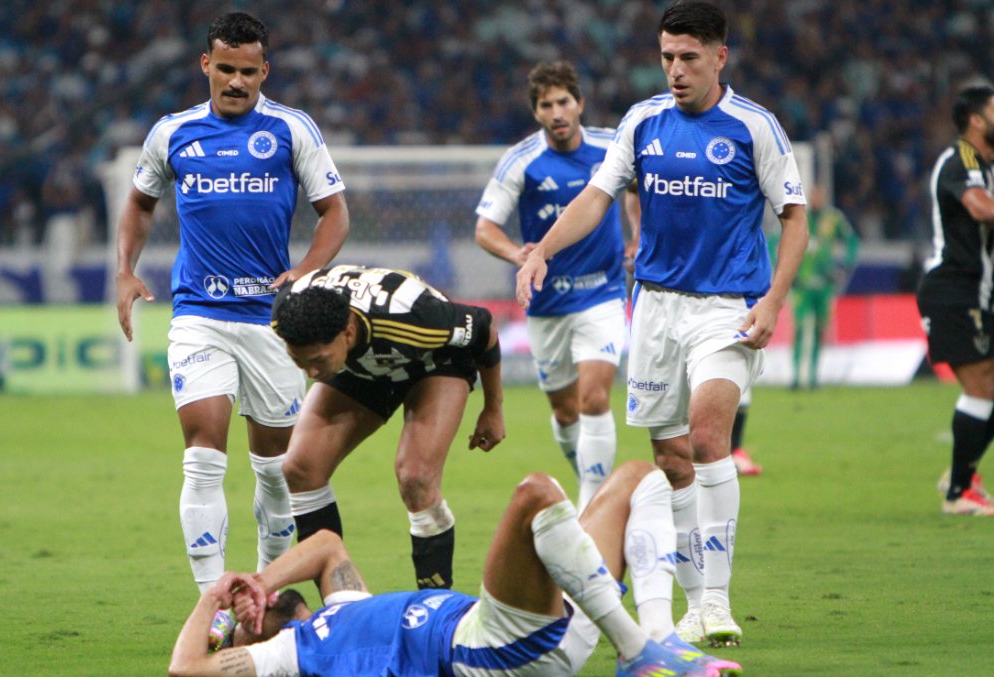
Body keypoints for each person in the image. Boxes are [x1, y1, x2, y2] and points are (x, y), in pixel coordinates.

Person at [516, 1, 808, 647]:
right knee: (671, 457)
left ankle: (717, 600)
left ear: (720, 56)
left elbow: (794, 217)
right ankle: (694, 598)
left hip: (726, 305)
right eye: (667, 57)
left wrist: (774, 299)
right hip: (653, 305)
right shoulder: (643, 121)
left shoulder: (754, 127)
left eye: (689, 58)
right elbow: (595, 197)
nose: (675, 70)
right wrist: (542, 249)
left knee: (708, 439)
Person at [114, 12, 350, 592]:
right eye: (226, 69)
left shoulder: (293, 129)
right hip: (198, 313)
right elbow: (141, 203)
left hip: (271, 321)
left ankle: (264, 587)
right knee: (202, 449)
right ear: (206, 65)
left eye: (249, 71)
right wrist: (124, 271)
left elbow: (335, 212)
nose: (238, 81)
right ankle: (212, 603)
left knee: (273, 471)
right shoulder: (173, 133)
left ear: (264, 70)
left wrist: (303, 271)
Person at [168, 459, 743, 676]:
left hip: (541, 624)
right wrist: (214, 597)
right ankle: (638, 653)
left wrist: (261, 580)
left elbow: (324, 545)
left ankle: (660, 639)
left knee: (639, 478)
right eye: (236, 625)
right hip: (486, 650)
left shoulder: (340, 609)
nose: (246, 615)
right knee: (535, 494)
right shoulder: (289, 656)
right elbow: (185, 668)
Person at [270, 265, 504, 592]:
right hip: (361, 363)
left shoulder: (420, 319)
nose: (310, 373)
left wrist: (493, 409)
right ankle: (341, 606)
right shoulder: (287, 315)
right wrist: (325, 362)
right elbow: (315, 350)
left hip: (433, 361)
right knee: (300, 468)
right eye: (300, 360)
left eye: (318, 360)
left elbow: (484, 327)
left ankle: (433, 607)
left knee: (416, 477)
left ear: (348, 331)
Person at [474, 61, 628, 511]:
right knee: (565, 413)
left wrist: (636, 233)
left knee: (594, 397)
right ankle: (595, 488)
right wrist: (517, 254)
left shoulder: (609, 146)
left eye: (564, 102)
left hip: (602, 292)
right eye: (547, 105)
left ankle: (590, 513)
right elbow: (485, 228)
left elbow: (635, 187)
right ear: (537, 113)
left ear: (580, 103)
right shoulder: (522, 161)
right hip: (547, 304)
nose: (557, 111)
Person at [917, 84, 994, 516]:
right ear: (978, 121)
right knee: (983, 384)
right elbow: (981, 209)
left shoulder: (988, 166)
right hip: (953, 288)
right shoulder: (961, 158)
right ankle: (960, 490)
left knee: (988, 386)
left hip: (979, 290)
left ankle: (962, 477)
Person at [790, 184, 860, 389]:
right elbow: (775, 240)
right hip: (802, 284)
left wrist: (843, 265)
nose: (816, 198)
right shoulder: (798, 215)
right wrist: (782, 269)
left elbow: (852, 241)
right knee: (800, 328)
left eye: (819, 194)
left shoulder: (833, 219)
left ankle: (813, 377)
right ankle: (796, 377)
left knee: (820, 330)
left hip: (824, 284)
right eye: (814, 194)